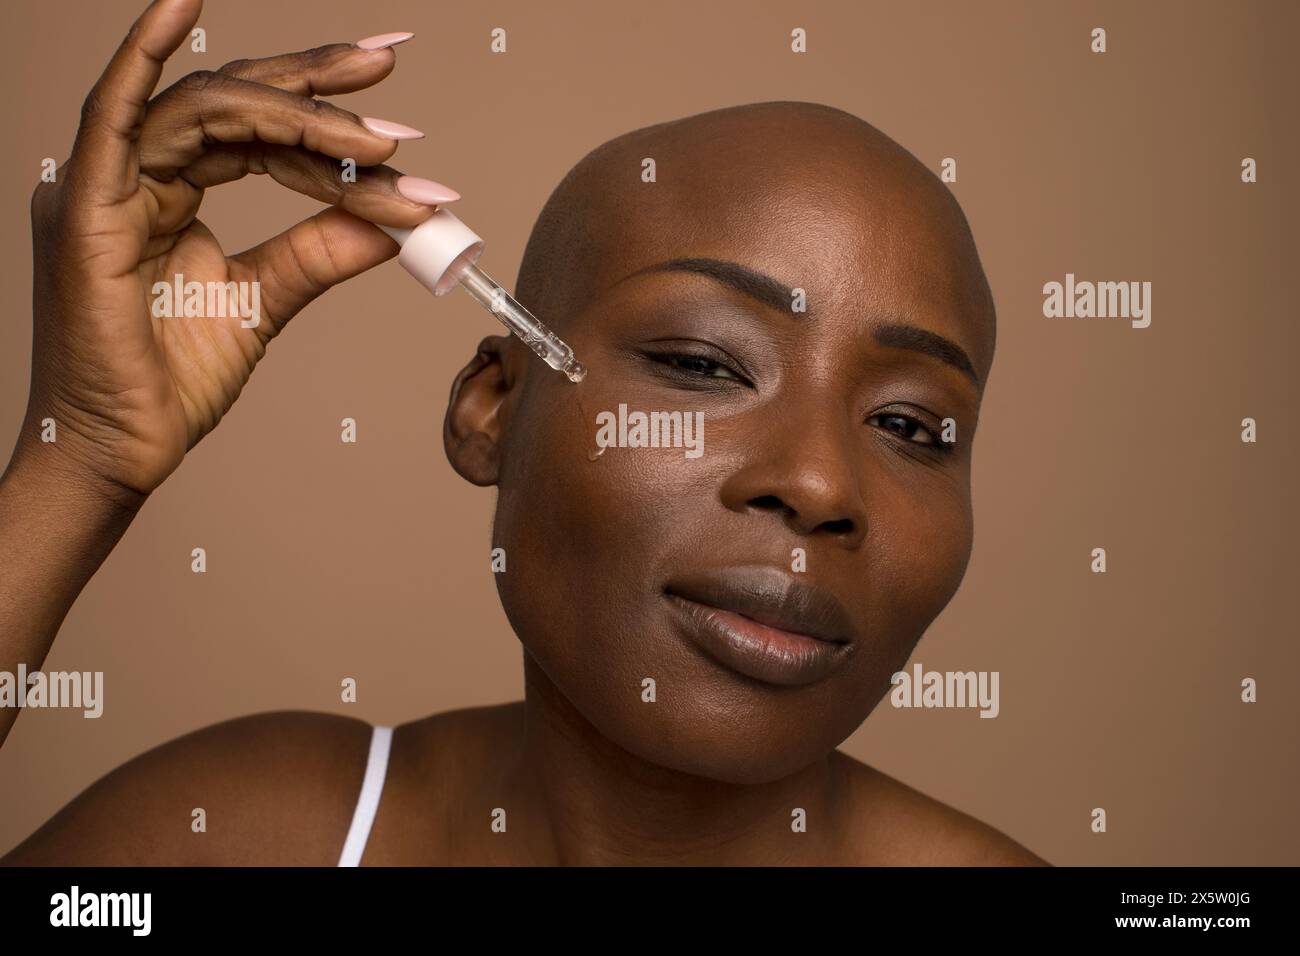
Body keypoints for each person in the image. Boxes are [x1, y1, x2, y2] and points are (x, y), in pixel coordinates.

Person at [0, 0, 1046, 866]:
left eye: (910, 424)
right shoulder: (243, 834)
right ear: (493, 409)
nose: (820, 481)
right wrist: (84, 450)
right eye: (700, 364)